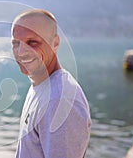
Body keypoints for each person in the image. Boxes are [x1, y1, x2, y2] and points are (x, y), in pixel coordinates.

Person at [11, 9, 91, 158]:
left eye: (32, 42)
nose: (21, 52)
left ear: (55, 43)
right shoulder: (39, 85)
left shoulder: (59, 100)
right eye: (16, 43)